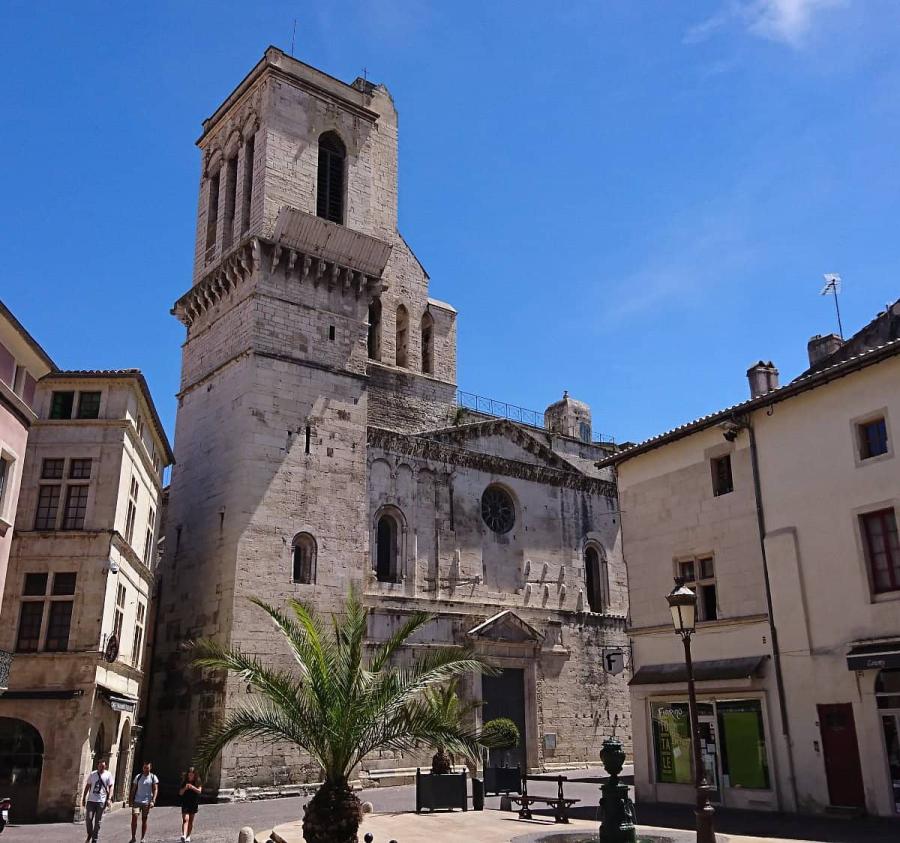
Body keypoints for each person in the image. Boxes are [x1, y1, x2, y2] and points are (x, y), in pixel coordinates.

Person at [81, 760, 112, 843]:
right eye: (100, 766)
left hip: (101, 801)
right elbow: (87, 786)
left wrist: (109, 799)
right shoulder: (93, 774)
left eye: (103, 766)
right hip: (91, 800)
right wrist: (84, 798)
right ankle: (89, 834)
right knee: (89, 819)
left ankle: (94, 839)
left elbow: (110, 786)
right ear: (97, 766)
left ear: (105, 766)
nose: (101, 767)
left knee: (98, 822)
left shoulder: (108, 774)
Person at [129, 761, 159, 843]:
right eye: (144, 767)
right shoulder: (138, 777)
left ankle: (142, 838)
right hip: (137, 801)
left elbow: (155, 789)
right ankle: (133, 837)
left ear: (150, 768)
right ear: (143, 767)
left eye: (147, 768)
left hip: (147, 802)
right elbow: (134, 788)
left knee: (144, 820)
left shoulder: (153, 777)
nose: (146, 769)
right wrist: (130, 800)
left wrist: (153, 800)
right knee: (134, 817)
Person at [178, 767, 202, 842]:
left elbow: (199, 791)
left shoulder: (198, 782)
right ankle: (184, 835)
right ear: (188, 774)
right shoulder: (184, 782)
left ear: (194, 775)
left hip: (193, 803)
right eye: (189, 774)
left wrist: (192, 787)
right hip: (185, 803)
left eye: (192, 774)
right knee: (185, 819)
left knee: (191, 821)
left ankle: (188, 836)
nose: (191, 775)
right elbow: (180, 793)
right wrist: (185, 788)